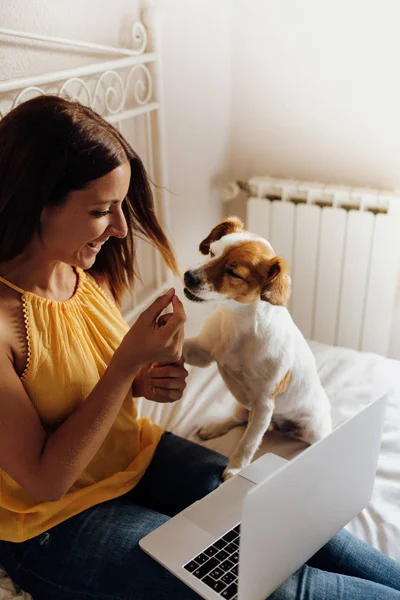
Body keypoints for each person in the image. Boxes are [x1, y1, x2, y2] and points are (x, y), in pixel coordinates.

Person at [0, 95, 398, 600]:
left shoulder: (81, 271)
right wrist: (126, 368)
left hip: (137, 457)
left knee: (296, 517)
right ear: (35, 201)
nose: (123, 227)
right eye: (102, 210)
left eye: (121, 206)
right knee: (273, 584)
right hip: (54, 522)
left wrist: (143, 379)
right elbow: (43, 481)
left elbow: (80, 382)